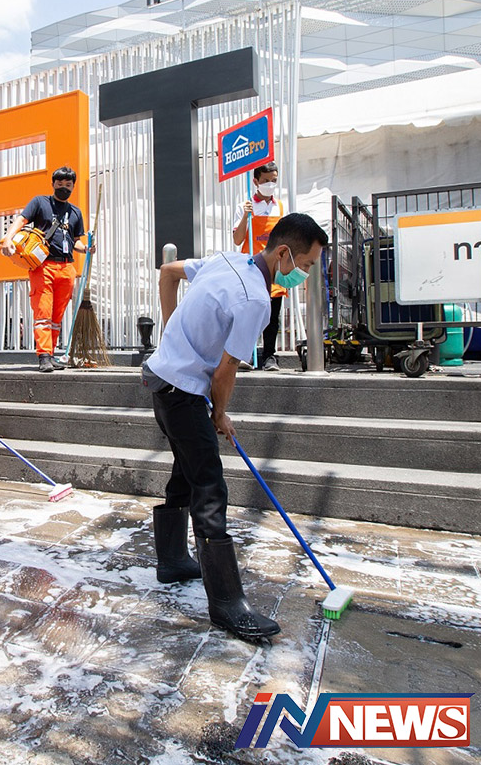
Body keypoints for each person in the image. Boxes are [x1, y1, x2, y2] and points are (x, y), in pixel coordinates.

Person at [143, 213, 328, 641]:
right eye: (306, 264)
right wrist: (220, 413)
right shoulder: (256, 300)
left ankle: (172, 561)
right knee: (210, 487)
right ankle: (227, 604)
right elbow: (227, 369)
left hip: (161, 380)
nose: (304, 274)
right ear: (284, 254)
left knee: (186, 470)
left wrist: (171, 332)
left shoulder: (227, 259)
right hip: (182, 392)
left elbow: (167, 272)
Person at [0, 166, 91, 373]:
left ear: (73, 187)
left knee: (57, 316)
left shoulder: (75, 212)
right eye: (60, 184)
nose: (63, 188)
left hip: (67, 267)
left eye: (68, 185)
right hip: (43, 266)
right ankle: (43, 356)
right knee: (43, 312)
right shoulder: (40, 202)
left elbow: (75, 241)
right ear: (53, 184)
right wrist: (8, 238)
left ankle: (50, 354)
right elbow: (21, 220)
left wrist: (86, 249)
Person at [232, 162, 287, 371]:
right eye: (266, 181)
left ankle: (269, 355)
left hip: (275, 269)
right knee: (250, 313)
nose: (270, 184)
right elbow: (238, 240)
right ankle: (245, 354)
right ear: (255, 181)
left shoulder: (280, 207)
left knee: (273, 315)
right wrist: (246, 217)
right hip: (252, 268)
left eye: (274, 180)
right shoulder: (244, 206)